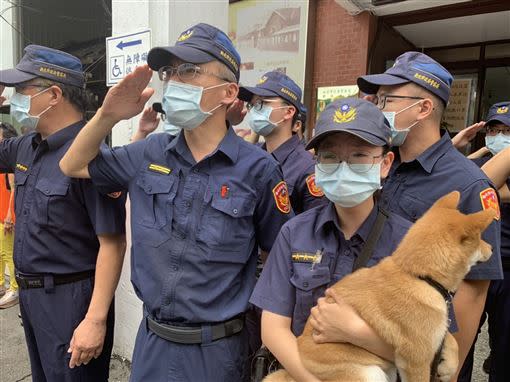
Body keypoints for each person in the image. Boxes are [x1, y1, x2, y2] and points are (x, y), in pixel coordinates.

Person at [59, 23, 292, 382]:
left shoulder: (258, 169)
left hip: (218, 352)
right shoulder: (150, 152)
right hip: (152, 341)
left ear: (229, 91)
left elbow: (276, 256)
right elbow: (72, 165)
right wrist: (107, 115)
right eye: (171, 71)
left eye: (190, 70)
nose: (174, 80)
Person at [352, 51, 502, 379]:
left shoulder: (468, 185)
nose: (378, 109)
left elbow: (472, 295)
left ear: (422, 108)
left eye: (386, 100)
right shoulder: (382, 166)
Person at [250, 98, 412, 381]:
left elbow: (432, 347)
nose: (343, 167)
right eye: (330, 157)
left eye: (360, 155)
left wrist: (357, 333)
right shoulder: (294, 233)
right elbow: (274, 327)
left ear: (385, 163)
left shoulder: (409, 243)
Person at [0, 44, 126, 381]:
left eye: (21, 90)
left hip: (71, 299)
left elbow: (112, 243)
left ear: (54, 93)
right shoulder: (28, 145)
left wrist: (95, 319)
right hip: (33, 297)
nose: (14, 100)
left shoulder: (92, 155)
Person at [457, 101, 510, 382]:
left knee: (504, 347)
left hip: (508, 270)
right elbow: (467, 183)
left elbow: (481, 184)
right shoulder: (475, 164)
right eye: (494, 130)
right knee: (459, 345)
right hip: (472, 267)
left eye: (506, 130)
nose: (499, 136)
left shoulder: (478, 167)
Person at [238, 71, 326, 214]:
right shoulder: (252, 156)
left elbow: (313, 229)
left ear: (289, 112)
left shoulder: (307, 169)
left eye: (262, 103)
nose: (254, 111)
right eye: (252, 105)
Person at [0, 122, 17, 308]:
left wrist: (9, 216)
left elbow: (13, 189)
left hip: (6, 216)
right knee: (0, 253)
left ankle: (14, 289)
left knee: (8, 253)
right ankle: (1, 286)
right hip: (0, 214)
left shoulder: (10, 162)